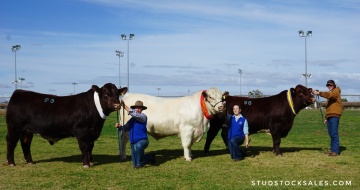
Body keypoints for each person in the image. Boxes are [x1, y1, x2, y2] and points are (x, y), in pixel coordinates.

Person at [115, 100, 155, 168]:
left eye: (139, 108)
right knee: (135, 163)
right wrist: (119, 127)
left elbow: (134, 114)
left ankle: (140, 164)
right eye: (136, 108)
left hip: (142, 141)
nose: (138, 110)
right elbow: (125, 128)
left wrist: (124, 106)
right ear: (134, 109)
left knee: (138, 146)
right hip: (133, 143)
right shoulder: (132, 120)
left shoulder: (143, 117)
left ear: (142, 109)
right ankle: (149, 157)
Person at [313, 79, 342, 156]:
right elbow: (329, 107)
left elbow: (330, 95)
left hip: (334, 115)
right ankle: (332, 150)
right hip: (330, 116)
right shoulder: (331, 94)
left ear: (334, 85)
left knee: (334, 133)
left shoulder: (336, 91)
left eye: (330, 85)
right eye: (328, 85)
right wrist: (326, 118)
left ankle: (335, 151)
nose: (329, 86)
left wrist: (319, 93)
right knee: (331, 133)